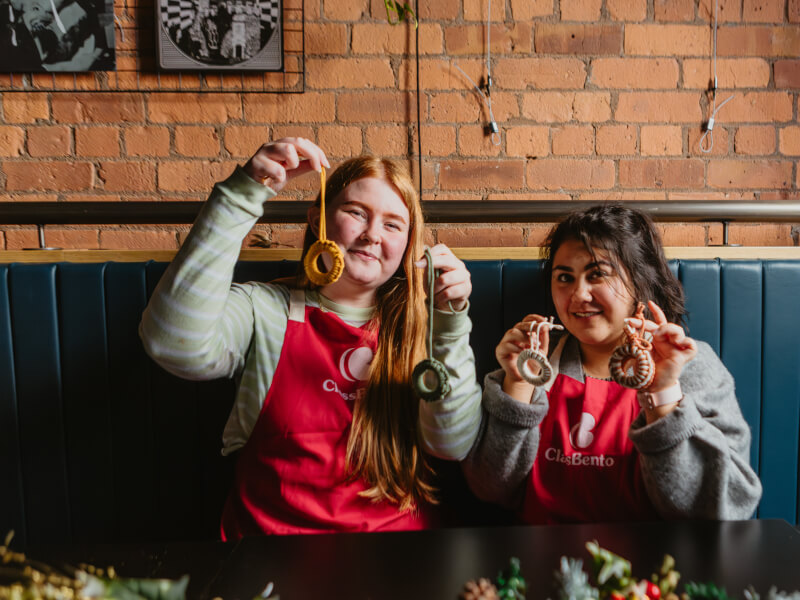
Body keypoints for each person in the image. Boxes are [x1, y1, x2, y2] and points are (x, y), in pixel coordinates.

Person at [139, 138, 482, 538]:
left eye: (392, 224)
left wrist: (450, 321)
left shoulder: (421, 326)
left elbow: (452, 444)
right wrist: (241, 195)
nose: (373, 234)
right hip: (269, 552)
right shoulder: (263, 308)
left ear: (408, 244)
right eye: (356, 212)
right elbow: (171, 343)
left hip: (396, 553)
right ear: (318, 220)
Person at [431, 204, 762, 523]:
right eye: (564, 277)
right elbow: (491, 489)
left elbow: (723, 507)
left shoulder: (691, 366)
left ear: (639, 282)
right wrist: (517, 386)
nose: (578, 294)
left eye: (597, 274)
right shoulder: (535, 366)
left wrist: (663, 395)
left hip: (654, 572)